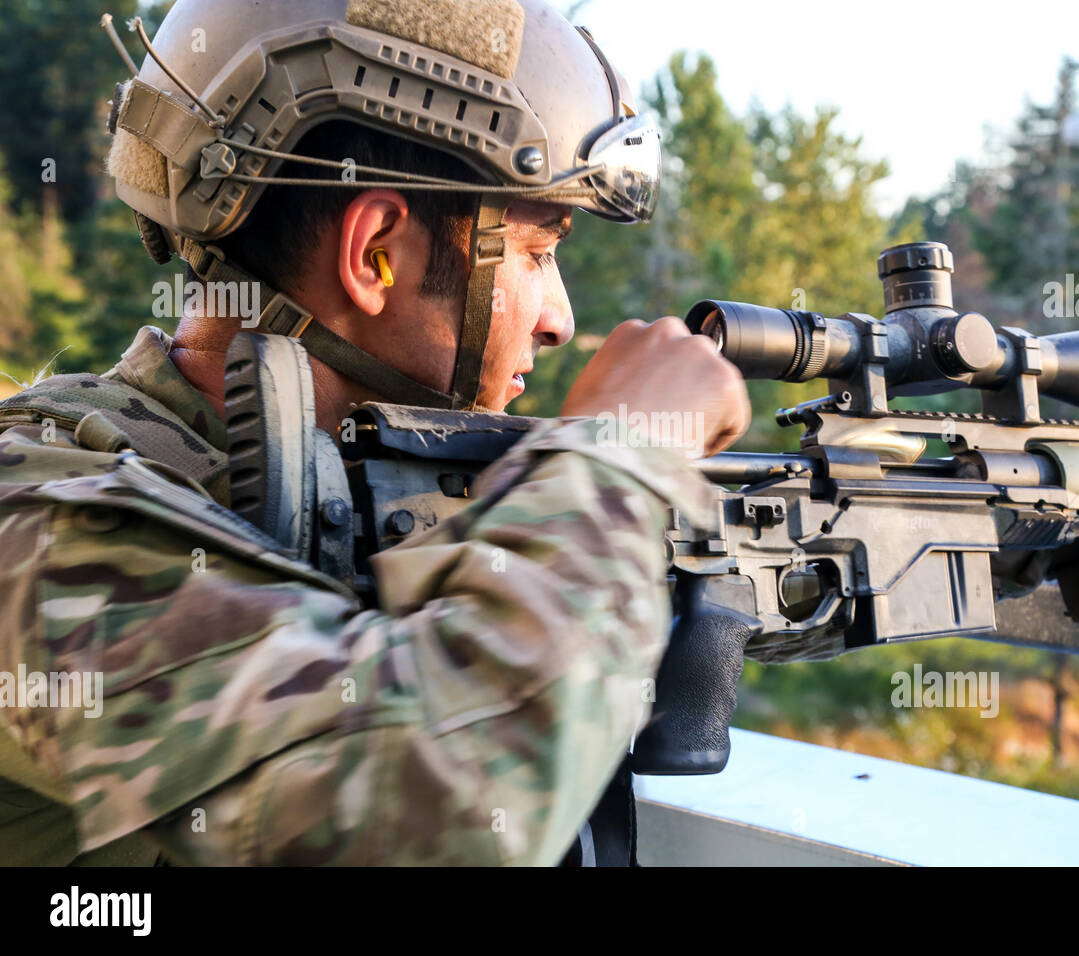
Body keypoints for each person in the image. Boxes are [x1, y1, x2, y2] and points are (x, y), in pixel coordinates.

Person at [0, 0, 749, 865]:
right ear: (375, 256)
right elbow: (435, 809)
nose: (560, 320)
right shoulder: (37, 524)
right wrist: (620, 459)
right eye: (539, 253)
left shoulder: (331, 497)